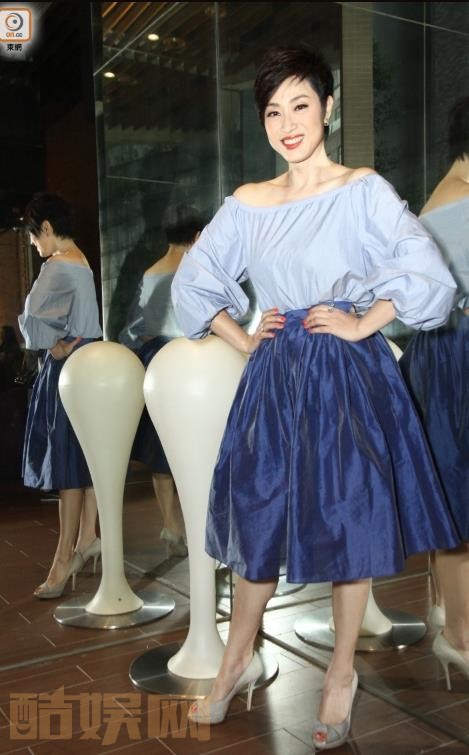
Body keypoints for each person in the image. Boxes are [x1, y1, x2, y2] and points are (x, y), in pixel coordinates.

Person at [171, 45, 461, 749]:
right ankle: (236, 659)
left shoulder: (362, 189)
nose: (288, 123)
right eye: (273, 111)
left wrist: (364, 321)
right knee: (257, 515)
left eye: (301, 104)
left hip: (346, 375)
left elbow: (426, 272)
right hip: (275, 379)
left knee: (345, 517)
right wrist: (244, 338)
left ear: (328, 108)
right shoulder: (249, 202)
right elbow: (194, 281)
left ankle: (339, 674)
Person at [400, 96, 469, 690]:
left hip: (447, 355)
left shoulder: (449, 193)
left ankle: (452, 616)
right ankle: (459, 635)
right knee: (457, 502)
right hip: (453, 358)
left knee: (456, 496)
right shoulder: (457, 200)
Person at [19, 193, 103, 598]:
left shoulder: (57, 265)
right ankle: (88, 538)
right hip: (94, 365)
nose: (33, 244)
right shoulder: (82, 259)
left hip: (68, 371)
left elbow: (30, 319)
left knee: (68, 467)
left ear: (47, 228)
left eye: (34, 236)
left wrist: (51, 342)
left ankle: (63, 559)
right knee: (87, 461)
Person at [119, 206, 203, 556]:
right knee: (195, 447)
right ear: (197, 235)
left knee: (159, 448)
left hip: (156, 364)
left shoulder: (150, 271)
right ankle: (198, 527)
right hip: (190, 363)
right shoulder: (196, 270)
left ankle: (170, 523)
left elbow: (133, 330)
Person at [0, 325, 23, 391]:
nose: (1, 335)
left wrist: (3, 357)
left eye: (2, 333)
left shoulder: (14, 347)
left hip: (10, 375)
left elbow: (7, 361)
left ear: (7, 334)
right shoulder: (3, 344)